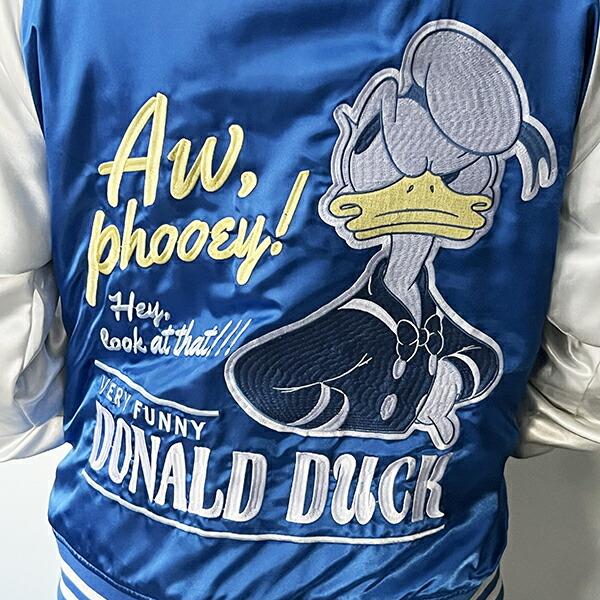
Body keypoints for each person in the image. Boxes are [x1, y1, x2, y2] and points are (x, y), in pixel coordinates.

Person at [1, 1, 599, 598]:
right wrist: (446, 416)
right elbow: (585, 381)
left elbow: (11, 378)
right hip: (416, 563)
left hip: (136, 554)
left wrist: (455, 380)